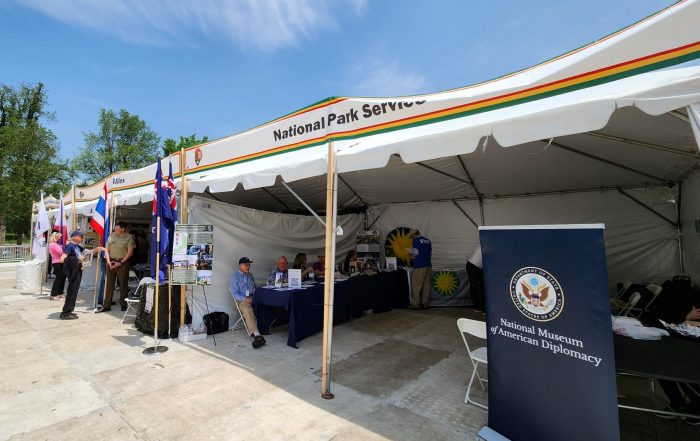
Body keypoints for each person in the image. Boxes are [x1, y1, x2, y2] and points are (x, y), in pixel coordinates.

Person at [98, 221, 135, 313]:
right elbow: (107, 249)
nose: (115, 229)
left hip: (122, 262)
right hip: (111, 261)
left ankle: (123, 304)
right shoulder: (112, 235)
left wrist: (121, 262)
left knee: (123, 284)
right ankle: (107, 305)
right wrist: (108, 261)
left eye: (117, 228)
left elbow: (130, 252)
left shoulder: (129, 237)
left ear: (123, 229)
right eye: (115, 228)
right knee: (109, 284)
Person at [229, 257, 266, 349]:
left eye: (249, 265)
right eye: (246, 265)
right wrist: (245, 299)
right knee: (247, 308)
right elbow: (234, 294)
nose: (248, 267)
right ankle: (257, 335)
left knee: (264, 303)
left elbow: (254, 287)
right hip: (242, 300)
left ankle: (265, 328)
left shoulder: (250, 275)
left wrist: (253, 293)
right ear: (240, 265)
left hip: (252, 297)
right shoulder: (234, 277)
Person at [58, 231, 85, 320]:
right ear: (74, 237)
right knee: (72, 291)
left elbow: (86, 251)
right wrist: (77, 259)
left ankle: (69, 310)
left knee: (74, 291)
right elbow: (62, 259)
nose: (82, 238)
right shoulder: (70, 246)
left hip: (77, 271)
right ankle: (65, 313)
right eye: (81, 236)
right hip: (74, 272)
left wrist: (96, 249)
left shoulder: (76, 246)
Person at [409, 229, 432, 309]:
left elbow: (416, 253)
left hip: (419, 265)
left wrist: (410, 254)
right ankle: (425, 303)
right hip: (428, 265)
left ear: (414, 235)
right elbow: (430, 252)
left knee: (416, 284)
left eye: (411, 236)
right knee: (426, 285)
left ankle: (416, 304)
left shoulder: (416, 240)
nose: (411, 238)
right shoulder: (428, 240)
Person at [466, 245, 485, 313]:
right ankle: (482, 308)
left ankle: (477, 307)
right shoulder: (488, 246)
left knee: (475, 287)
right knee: (479, 287)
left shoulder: (484, 244)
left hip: (471, 265)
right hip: (474, 267)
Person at [48, 232, 66, 300]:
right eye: (58, 236)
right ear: (54, 237)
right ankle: (53, 295)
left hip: (59, 262)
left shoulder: (54, 244)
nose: (60, 238)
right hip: (58, 262)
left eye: (60, 236)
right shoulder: (53, 244)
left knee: (62, 278)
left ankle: (59, 293)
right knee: (59, 279)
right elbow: (61, 252)